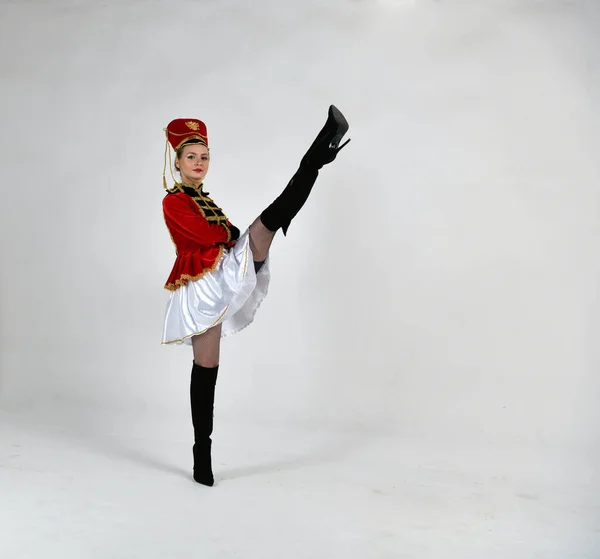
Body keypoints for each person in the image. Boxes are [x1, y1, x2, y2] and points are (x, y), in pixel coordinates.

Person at [160, 105, 350, 486]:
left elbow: (228, 233)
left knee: (272, 218)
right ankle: (202, 455)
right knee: (207, 368)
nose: (199, 163)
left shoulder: (205, 199)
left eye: (204, 157)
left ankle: (318, 156)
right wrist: (232, 235)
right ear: (177, 161)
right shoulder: (174, 201)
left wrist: (235, 235)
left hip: (224, 270)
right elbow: (213, 235)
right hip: (201, 287)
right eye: (192, 157)